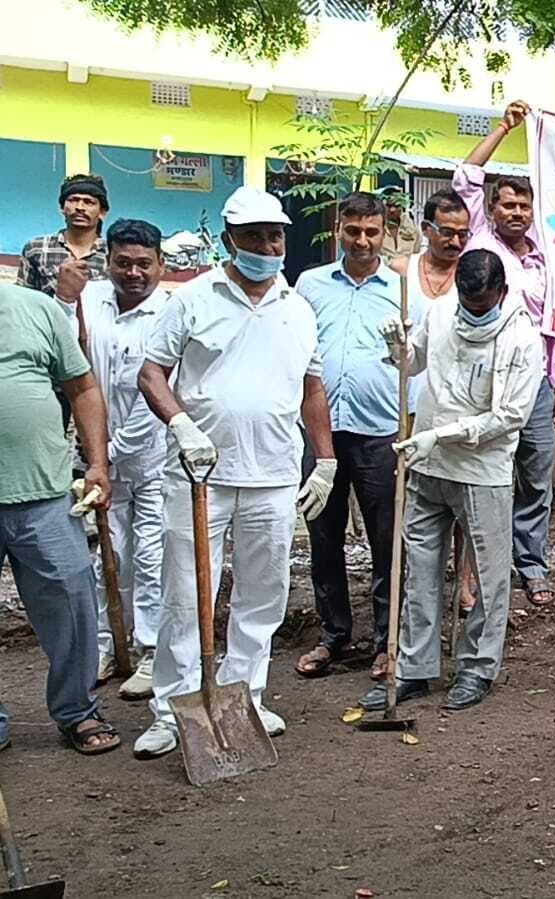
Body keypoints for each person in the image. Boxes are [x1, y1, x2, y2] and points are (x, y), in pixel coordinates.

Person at [132, 186, 337, 759]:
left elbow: (311, 387)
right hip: (200, 475)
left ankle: (246, 694)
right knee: (187, 594)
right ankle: (172, 711)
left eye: (274, 236)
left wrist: (324, 460)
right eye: (253, 237)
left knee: (263, 593)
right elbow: (152, 373)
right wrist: (181, 427)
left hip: (271, 473)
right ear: (230, 241)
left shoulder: (297, 308)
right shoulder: (194, 298)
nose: (267, 246)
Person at [360, 249, 542, 713]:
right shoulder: (441, 312)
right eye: (467, 301)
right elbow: (413, 363)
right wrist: (397, 346)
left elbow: (509, 416)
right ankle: (415, 668)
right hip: (426, 464)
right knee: (417, 570)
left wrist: (441, 434)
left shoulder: (522, 337)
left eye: (482, 306)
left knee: (489, 573)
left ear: (501, 293)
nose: (473, 312)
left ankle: (478, 667)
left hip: (483, 471)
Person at [454, 100, 555, 608]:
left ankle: (532, 565)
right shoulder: (480, 239)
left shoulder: (545, 254)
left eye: (524, 205)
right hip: (486, 378)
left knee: (536, 474)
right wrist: (504, 128)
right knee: (485, 473)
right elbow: (467, 174)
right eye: (508, 205)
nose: (516, 213)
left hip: (537, 385)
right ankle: (477, 568)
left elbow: (553, 325)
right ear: (493, 210)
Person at [0, 279, 121, 755]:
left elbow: (83, 388)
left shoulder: (37, 310)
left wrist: (97, 464)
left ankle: (77, 711)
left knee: (72, 607)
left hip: (44, 493)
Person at [290, 192, 406, 681]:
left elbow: (413, 359)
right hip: (320, 435)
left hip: (379, 432)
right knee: (323, 536)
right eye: (353, 230)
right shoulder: (310, 284)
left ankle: (386, 641)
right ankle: (334, 635)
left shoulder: (401, 288)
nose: (361, 241)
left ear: (385, 233)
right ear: (338, 228)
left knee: (386, 540)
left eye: (371, 232)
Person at [77, 219, 173, 701]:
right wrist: (97, 456)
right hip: (101, 459)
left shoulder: (169, 313)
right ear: (108, 261)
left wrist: (105, 456)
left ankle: (153, 650)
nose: (133, 273)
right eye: (123, 263)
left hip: (153, 461)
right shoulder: (90, 301)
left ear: (160, 264)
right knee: (109, 556)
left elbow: (149, 400)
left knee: (152, 556)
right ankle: (109, 646)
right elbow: (77, 372)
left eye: (143, 264)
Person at [390, 189, 480, 614]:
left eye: (464, 233)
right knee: (412, 500)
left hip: (455, 407)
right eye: (447, 232)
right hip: (404, 401)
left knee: (462, 499)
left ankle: (463, 580)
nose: (456, 242)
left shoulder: (473, 278)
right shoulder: (400, 271)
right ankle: (415, 581)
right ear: (426, 230)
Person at [18, 174, 110, 299]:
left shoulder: (112, 252)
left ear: (102, 212)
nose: (79, 207)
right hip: (49, 318)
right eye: (73, 200)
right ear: (62, 208)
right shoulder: (36, 248)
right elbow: (23, 299)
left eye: (88, 202)